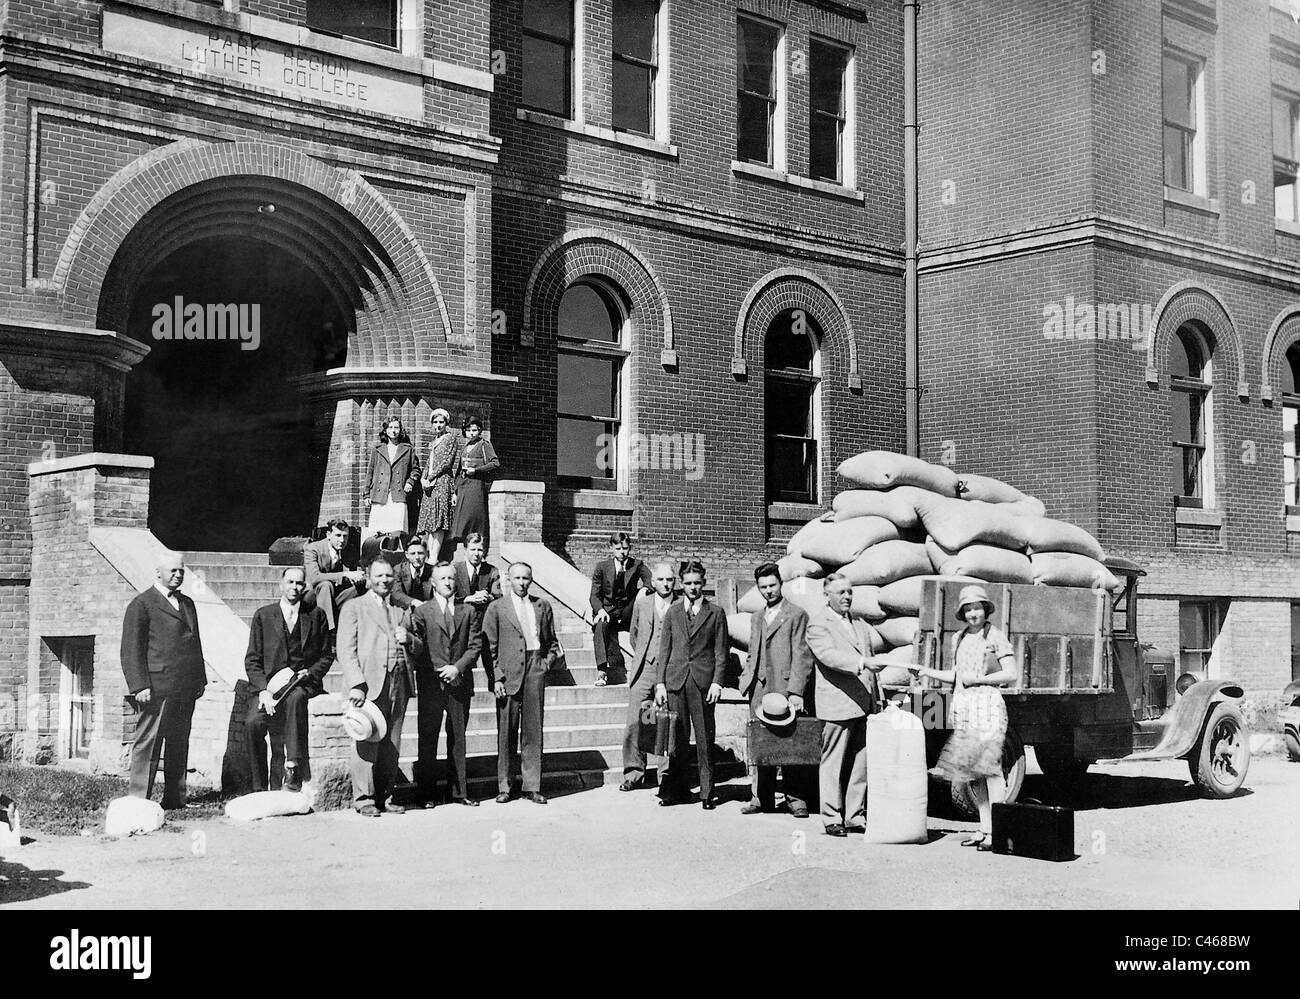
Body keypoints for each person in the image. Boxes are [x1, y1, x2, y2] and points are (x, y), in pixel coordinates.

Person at [912, 584, 1017, 850]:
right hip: (966, 709)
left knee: (991, 770)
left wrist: (979, 679)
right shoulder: (958, 638)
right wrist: (926, 670)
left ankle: (998, 832)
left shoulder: (996, 636)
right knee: (974, 774)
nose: (973, 613)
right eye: (968, 609)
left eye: (977, 607)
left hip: (988, 707)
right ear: (962, 612)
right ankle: (984, 830)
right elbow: (956, 675)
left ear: (985, 609)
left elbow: (1011, 673)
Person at [119, 553, 206, 809]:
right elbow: (130, 648)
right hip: (156, 687)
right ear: (158, 572)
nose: (178, 575)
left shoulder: (188, 603)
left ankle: (175, 798)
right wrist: (139, 685)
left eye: (181, 571)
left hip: (185, 687)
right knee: (149, 742)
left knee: (179, 742)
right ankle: (138, 799)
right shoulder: (142, 604)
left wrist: (199, 679)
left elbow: (195, 644)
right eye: (173, 571)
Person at [806, 573, 884, 837]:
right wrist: (861, 664)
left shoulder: (860, 624)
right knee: (834, 763)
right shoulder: (818, 624)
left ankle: (854, 815)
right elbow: (828, 656)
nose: (847, 597)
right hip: (836, 703)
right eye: (841, 592)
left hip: (863, 702)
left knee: (860, 763)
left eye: (849, 592)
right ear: (826, 596)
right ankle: (831, 817)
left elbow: (871, 660)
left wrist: (877, 697)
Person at [339, 558, 418, 817]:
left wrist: (410, 640)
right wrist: (356, 684)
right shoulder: (354, 607)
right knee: (366, 741)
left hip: (399, 682)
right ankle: (364, 799)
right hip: (368, 684)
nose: (384, 580)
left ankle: (387, 795)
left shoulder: (401, 610)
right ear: (368, 577)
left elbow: (419, 647)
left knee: (392, 742)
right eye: (379, 576)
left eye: (388, 576)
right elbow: (346, 650)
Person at [243, 567, 333, 793]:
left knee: (296, 700)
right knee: (253, 723)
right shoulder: (263, 616)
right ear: (281, 585)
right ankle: (257, 785)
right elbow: (252, 659)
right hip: (271, 688)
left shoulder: (316, 615)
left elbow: (326, 654)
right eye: (290, 582)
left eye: (299, 583)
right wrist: (263, 690)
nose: (294, 587)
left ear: (305, 587)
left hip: (301, 683)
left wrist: (310, 673)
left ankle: (293, 768)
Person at [738, 562, 815, 818]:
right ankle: (761, 797)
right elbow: (752, 652)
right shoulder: (757, 617)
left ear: (781, 584)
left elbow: (803, 656)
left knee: (789, 743)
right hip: (759, 688)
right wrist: (746, 679)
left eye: (772, 585)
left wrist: (796, 691)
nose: (768, 591)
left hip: (783, 689)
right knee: (762, 743)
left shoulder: (796, 615)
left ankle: (795, 799)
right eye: (763, 587)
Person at [482, 562, 561, 804]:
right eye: (516, 578)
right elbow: (489, 648)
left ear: (531, 579)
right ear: (509, 580)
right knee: (506, 731)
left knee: (533, 730)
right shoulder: (496, 608)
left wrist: (545, 664)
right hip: (508, 673)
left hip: (534, 667)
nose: (521, 582)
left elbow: (553, 644)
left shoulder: (542, 605)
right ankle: (505, 786)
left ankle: (531, 785)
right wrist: (496, 677)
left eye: (526, 578)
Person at [654, 561, 728, 810]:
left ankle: (707, 793)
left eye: (697, 583)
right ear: (681, 584)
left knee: (705, 739)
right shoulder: (673, 612)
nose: (693, 587)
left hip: (703, 684)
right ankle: (678, 790)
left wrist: (718, 682)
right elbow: (664, 650)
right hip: (676, 681)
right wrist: (660, 683)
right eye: (688, 583)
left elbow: (720, 652)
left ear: (703, 584)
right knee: (678, 739)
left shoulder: (716, 612)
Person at [408, 562, 483, 807]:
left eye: (451, 578)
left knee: (458, 737)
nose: (448, 582)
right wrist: (438, 668)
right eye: (443, 579)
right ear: (433, 583)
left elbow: (475, 646)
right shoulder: (422, 612)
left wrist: (457, 667)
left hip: (460, 682)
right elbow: (418, 647)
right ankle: (426, 794)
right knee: (428, 737)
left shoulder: (468, 611)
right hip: (431, 683)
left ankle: (459, 792)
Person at [619, 562, 677, 792]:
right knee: (636, 721)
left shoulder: (680, 605)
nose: (665, 584)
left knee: (665, 721)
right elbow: (634, 634)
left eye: (669, 580)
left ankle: (666, 775)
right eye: (661, 580)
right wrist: (645, 656)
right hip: (644, 669)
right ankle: (633, 773)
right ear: (653, 582)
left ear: (675, 582)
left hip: (670, 671)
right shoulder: (642, 603)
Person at [589, 533, 652, 687]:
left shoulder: (637, 564)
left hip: (627, 612)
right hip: (608, 612)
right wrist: (600, 611)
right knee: (600, 625)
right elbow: (594, 596)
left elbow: (651, 579)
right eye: (618, 548)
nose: (622, 552)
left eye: (625, 548)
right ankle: (602, 672)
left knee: (641, 597)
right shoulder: (602, 567)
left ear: (629, 547)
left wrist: (644, 589)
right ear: (612, 548)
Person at [417, 407, 463, 561]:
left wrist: (431, 476)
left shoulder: (450, 439)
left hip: (442, 482)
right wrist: (423, 478)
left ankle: (434, 557)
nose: (438, 425)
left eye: (441, 422)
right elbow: (429, 463)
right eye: (435, 422)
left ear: (446, 423)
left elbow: (446, 463)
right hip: (430, 485)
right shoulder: (433, 442)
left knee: (438, 521)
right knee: (430, 523)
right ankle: (430, 556)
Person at [303, 518, 366, 631]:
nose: (342, 540)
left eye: (345, 536)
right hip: (314, 596)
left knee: (365, 586)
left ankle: (363, 629)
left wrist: (359, 578)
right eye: (338, 535)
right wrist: (344, 575)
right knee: (326, 585)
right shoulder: (313, 549)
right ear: (328, 535)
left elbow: (357, 571)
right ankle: (326, 631)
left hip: (337, 597)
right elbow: (314, 577)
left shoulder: (350, 550)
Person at [449, 414, 500, 553]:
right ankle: (464, 545)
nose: (471, 433)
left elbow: (495, 463)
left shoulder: (484, 445)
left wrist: (476, 470)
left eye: (475, 430)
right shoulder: (465, 447)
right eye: (469, 430)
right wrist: (455, 492)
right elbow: (459, 471)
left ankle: (479, 545)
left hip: (477, 485)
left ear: (480, 431)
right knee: (462, 518)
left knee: (475, 516)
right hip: (463, 486)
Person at [364, 417, 421, 537]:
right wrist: (366, 494)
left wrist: (410, 482)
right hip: (380, 494)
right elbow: (370, 471)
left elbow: (416, 469)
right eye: (390, 427)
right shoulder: (378, 449)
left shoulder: (408, 449)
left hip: (398, 494)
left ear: (400, 430)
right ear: (385, 430)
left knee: (396, 530)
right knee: (378, 532)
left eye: (396, 427)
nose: (393, 430)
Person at [454, 532, 500, 670]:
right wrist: (469, 598)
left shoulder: (492, 571)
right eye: (472, 549)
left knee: (491, 663)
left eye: (480, 550)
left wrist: (488, 597)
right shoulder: (455, 569)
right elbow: (448, 597)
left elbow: (499, 598)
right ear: (465, 550)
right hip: (461, 625)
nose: (476, 554)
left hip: (484, 625)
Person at [394, 536, 434, 605]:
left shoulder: (433, 571)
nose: (417, 557)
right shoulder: (398, 570)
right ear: (407, 555)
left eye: (420, 553)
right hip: (405, 609)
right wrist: (414, 602)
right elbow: (396, 593)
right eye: (413, 553)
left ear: (426, 553)